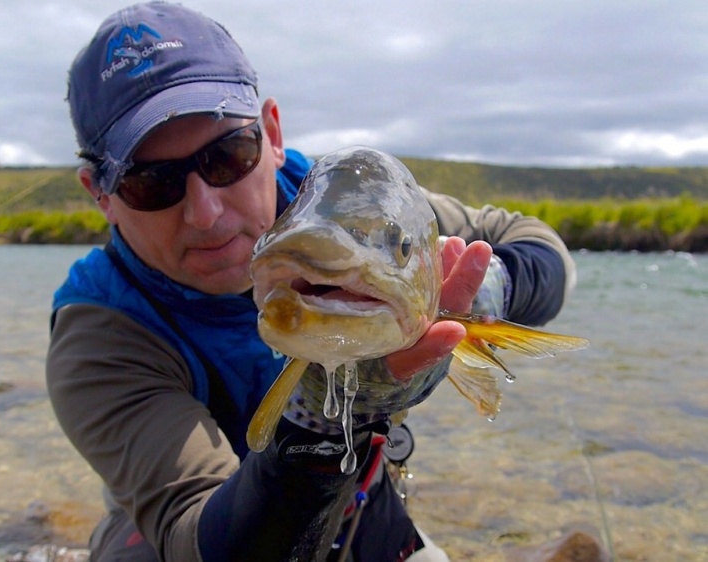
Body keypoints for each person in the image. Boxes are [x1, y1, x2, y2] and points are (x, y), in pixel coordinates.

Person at [46, 2, 576, 561]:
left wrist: (471, 303)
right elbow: (203, 540)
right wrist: (323, 417)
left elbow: (541, 249)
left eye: (228, 156)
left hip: (354, 501)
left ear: (271, 134)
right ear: (99, 194)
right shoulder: (100, 335)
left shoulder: (362, 209)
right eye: (150, 183)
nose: (205, 212)